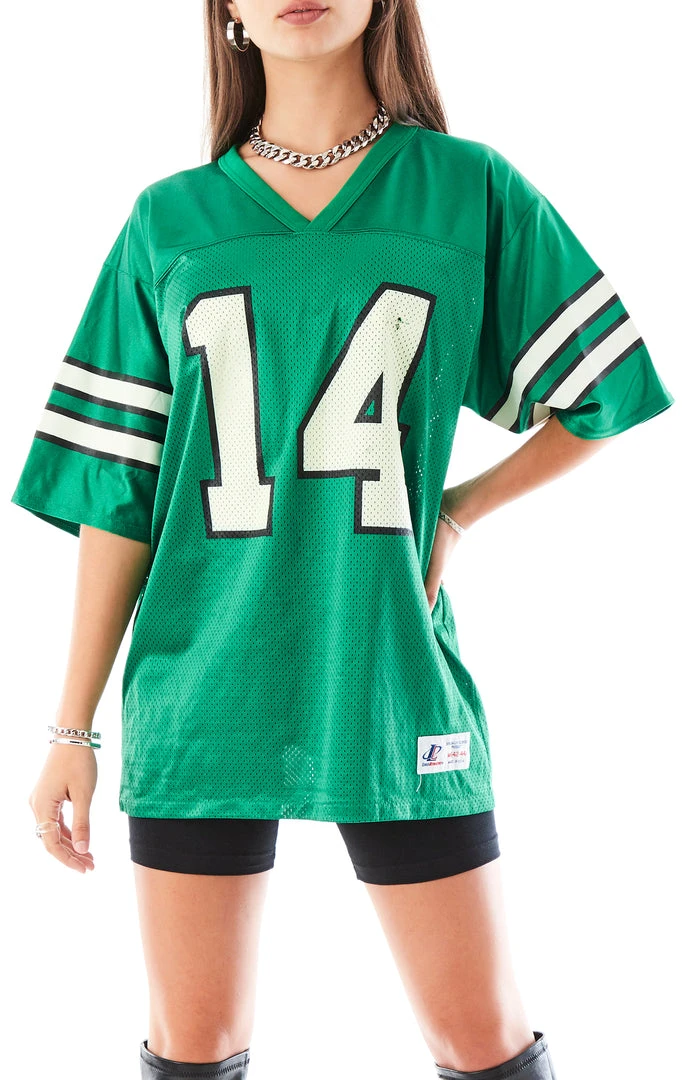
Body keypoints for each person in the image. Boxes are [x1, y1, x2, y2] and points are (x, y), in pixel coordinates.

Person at [12, 2, 674, 1079]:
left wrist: (459, 507)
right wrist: (70, 730)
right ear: (226, 11)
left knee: (485, 1044)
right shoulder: (168, 221)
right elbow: (115, 496)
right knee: (192, 1051)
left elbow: (606, 391)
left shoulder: (466, 190)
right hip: (199, 685)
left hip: (390, 673)